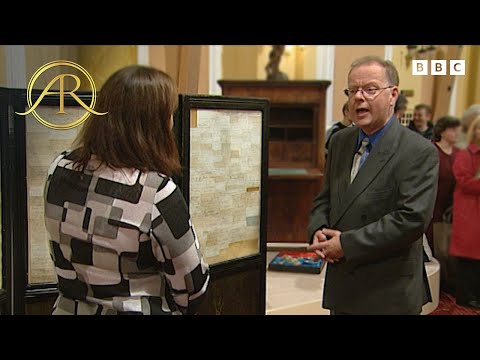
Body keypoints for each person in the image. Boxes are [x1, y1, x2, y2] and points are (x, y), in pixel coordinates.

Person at [43, 65, 210, 315]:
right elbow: (192, 289)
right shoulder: (157, 194)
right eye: (169, 114)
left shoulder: (59, 169)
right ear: (151, 125)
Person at [307, 56, 439, 315]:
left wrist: (346, 244)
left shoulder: (418, 151)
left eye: (369, 89)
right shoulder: (340, 142)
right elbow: (326, 197)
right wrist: (318, 230)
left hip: (386, 292)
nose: (358, 97)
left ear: (393, 95)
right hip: (343, 287)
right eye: (353, 90)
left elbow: (411, 220)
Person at [426, 116, 461, 294]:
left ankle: (448, 283)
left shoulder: (458, 153)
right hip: (432, 204)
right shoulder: (432, 150)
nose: (456, 133)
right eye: (453, 129)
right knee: (434, 244)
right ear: (442, 131)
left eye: (458, 129)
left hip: (451, 207)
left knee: (448, 246)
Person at [449, 115, 480, 309]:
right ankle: (466, 296)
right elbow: (464, 181)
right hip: (470, 212)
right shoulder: (465, 154)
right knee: (468, 258)